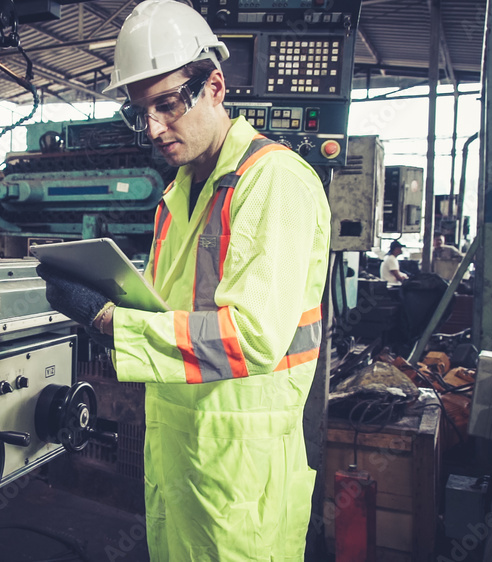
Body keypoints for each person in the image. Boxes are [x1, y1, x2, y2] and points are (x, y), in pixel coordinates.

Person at [35, 0, 331, 559]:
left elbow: (252, 337)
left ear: (214, 87)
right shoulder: (178, 194)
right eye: (139, 111)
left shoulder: (273, 183)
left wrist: (107, 319)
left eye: (167, 104)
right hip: (179, 451)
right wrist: (108, 286)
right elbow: (166, 308)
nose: (152, 127)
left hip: (243, 468)